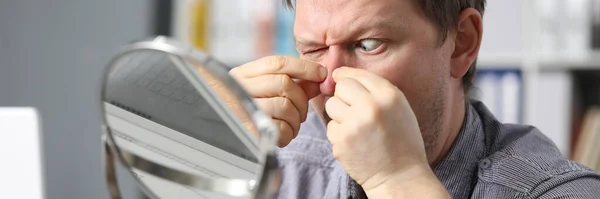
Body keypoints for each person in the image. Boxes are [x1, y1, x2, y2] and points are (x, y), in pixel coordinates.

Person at [230, 0, 600, 198]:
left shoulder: (558, 193)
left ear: (462, 43)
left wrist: (397, 179)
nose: (328, 85)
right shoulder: (281, 164)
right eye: (312, 48)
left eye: (369, 45)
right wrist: (207, 150)